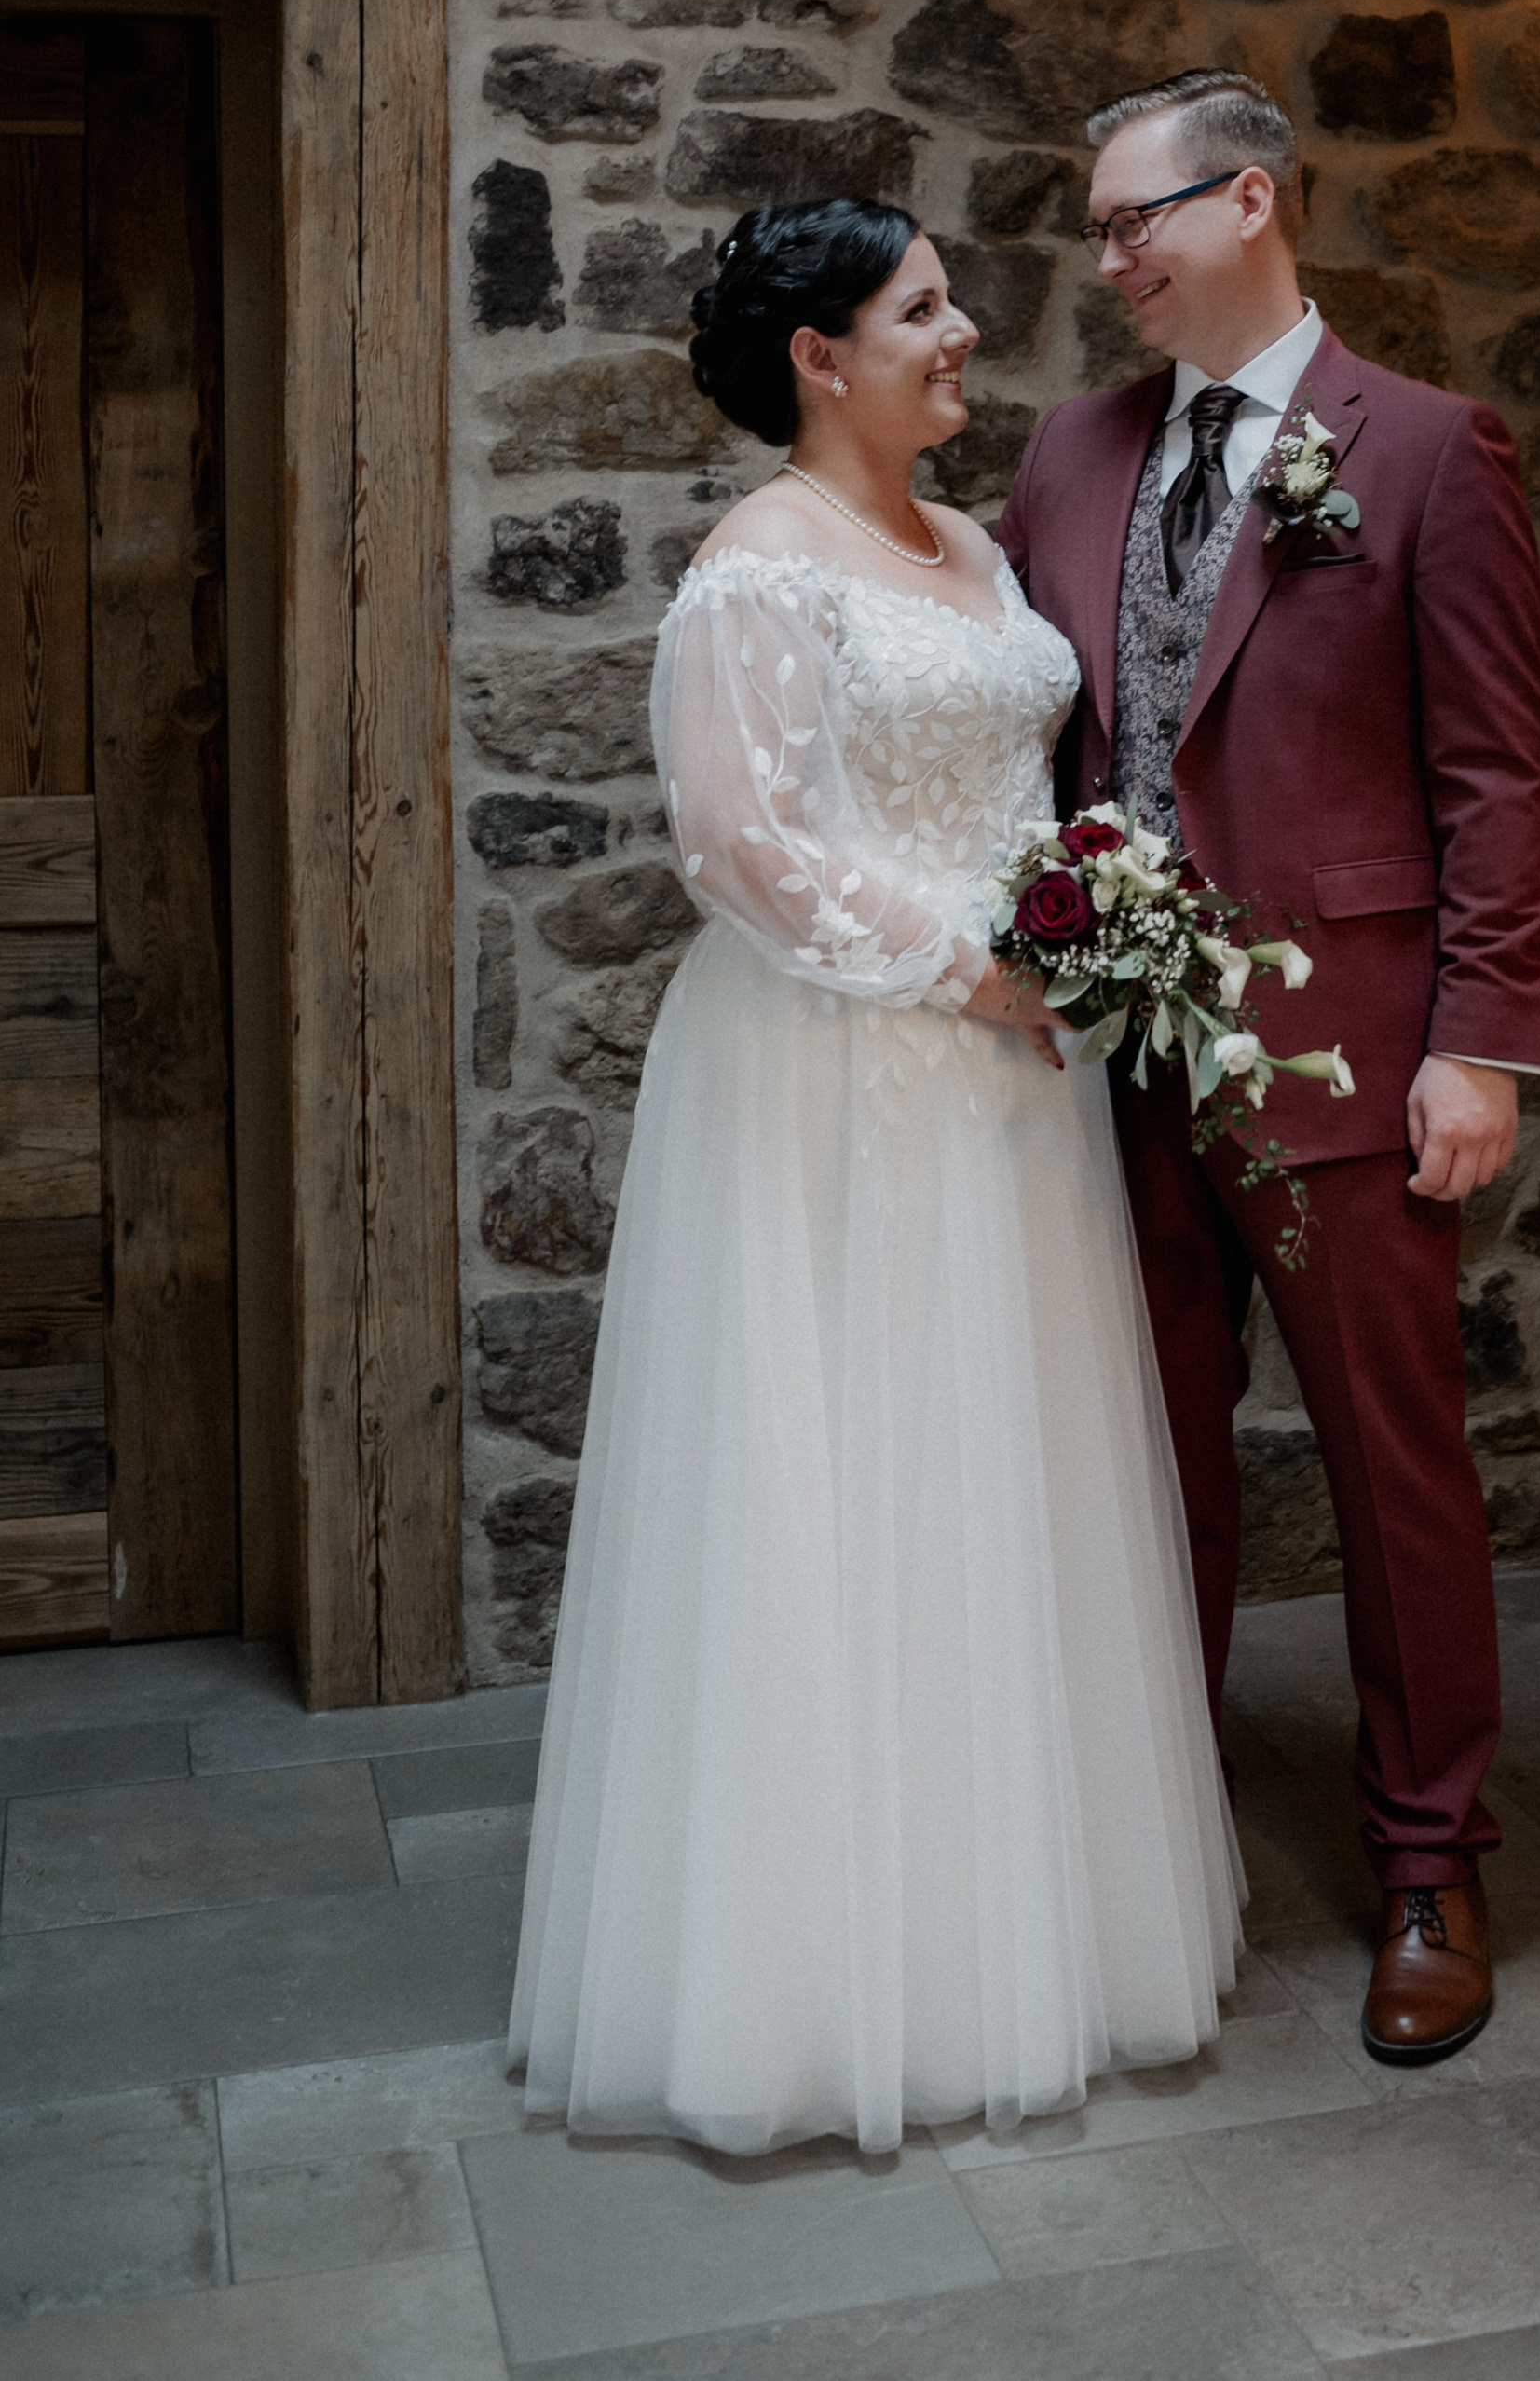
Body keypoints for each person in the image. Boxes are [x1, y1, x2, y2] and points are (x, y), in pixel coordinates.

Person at [508, 198, 1241, 2158]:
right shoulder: (759, 569)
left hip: (1011, 1086)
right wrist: (976, 968)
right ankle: (813, 1984)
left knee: (989, 1484)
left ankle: (1019, 1934)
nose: (964, 329)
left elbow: (1021, 788)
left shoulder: (976, 545)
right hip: (847, 1071)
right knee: (841, 1485)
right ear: (820, 355)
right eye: (923, 307)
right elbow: (739, 847)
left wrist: (1084, 944)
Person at [1000, 71, 1540, 2070]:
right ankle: (1160, 1838)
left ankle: (1427, 1861)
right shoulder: (1064, 457)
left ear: (1248, 200)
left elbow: (1493, 772)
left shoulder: (1418, 449)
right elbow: (1035, 748)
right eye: (1088, 231)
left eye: (1128, 220)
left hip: (1341, 1058)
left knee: (1390, 1470)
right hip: (1109, 1067)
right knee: (1144, 1474)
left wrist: (1480, 1042)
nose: (1104, 261)